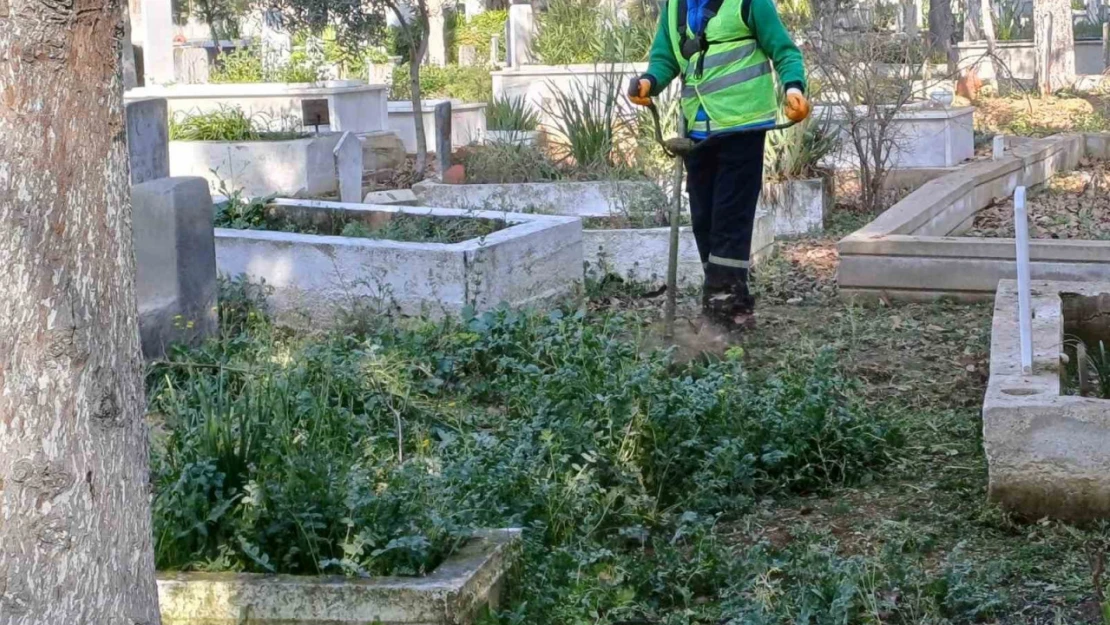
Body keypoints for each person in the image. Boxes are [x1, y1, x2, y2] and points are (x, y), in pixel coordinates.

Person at [628, 0, 811, 331]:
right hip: (697, 131)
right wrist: (649, 81)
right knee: (704, 222)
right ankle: (733, 304)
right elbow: (666, 56)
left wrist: (794, 87)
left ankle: (721, 315)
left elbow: (785, 51)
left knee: (730, 219)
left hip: (743, 127)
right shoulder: (674, 7)